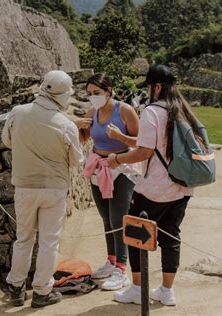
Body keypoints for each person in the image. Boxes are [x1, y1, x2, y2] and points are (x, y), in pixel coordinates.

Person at [107, 65, 197, 306]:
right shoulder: (182, 110)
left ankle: (137, 288)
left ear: (156, 87)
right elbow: (155, 142)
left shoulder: (152, 111)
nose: (148, 90)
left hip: (155, 189)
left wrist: (116, 159)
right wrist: (124, 139)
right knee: (170, 235)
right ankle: (167, 292)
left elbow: (145, 151)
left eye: (149, 86)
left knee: (135, 233)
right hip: (182, 186)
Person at [2, 70, 84, 308]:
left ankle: (16, 288)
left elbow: (7, 141)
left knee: (23, 239)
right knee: (49, 242)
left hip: (24, 186)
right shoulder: (66, 124)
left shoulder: (17, 113)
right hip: (53, 189)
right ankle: (41, 291)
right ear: (62, 95)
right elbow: (76, 161)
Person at [76, 73, 140, 290]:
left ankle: (122, 269)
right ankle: (111, 260)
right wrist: (79, 128)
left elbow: (141, 142)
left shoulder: (124, 110)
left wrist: (120, 137)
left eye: (97, 93)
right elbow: (85, 138)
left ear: (109, 90)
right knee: (105, 218)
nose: (93, 97)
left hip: (121, 167)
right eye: (90, 94)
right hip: (98, 166)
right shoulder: (92, 111)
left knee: (118, 218)